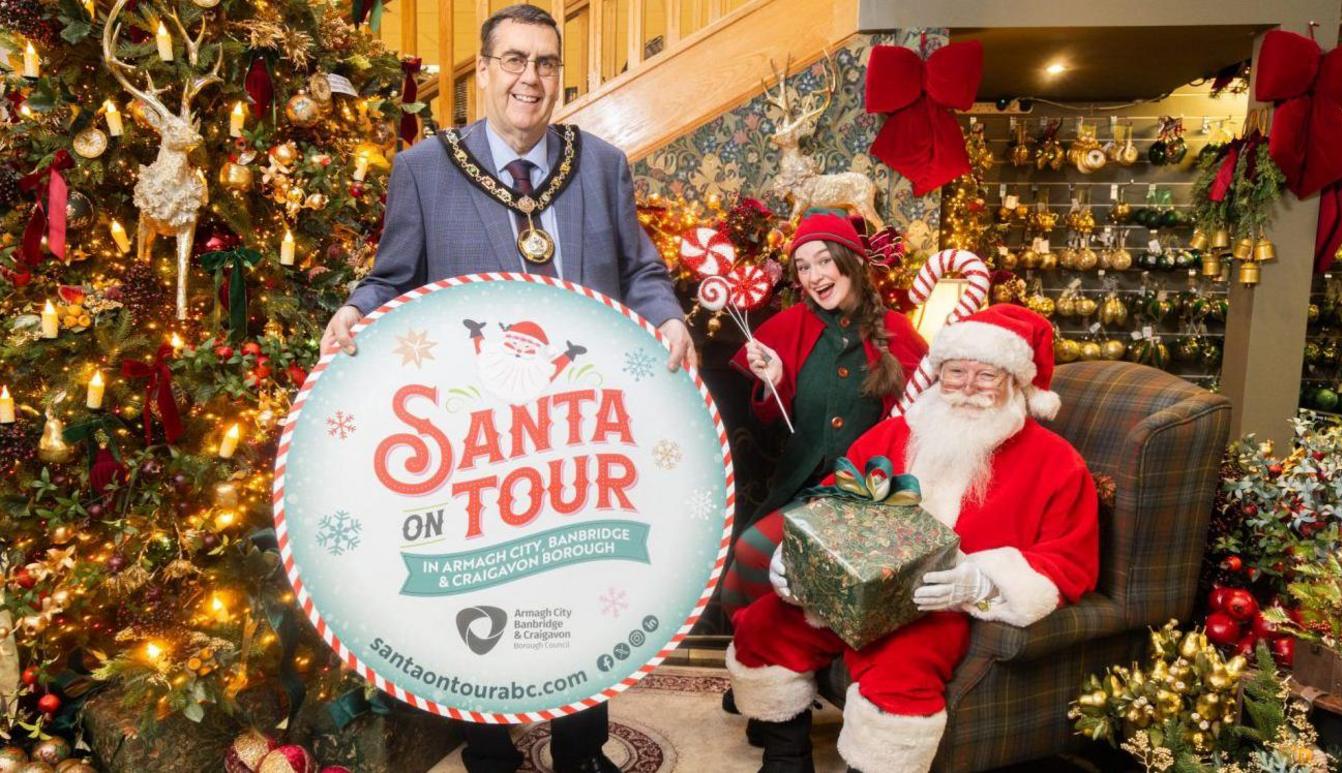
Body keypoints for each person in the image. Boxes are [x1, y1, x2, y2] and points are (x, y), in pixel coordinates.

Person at [318, 6, 693, 772]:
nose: (531, 78)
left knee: (582, 585)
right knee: (484, 592)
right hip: (479, 441)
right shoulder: (423, 169)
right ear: (483, 72)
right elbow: (395, 277)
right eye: (514, 61)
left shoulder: (603, 165)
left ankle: (582, 747)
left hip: (583, 427)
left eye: (547, 63)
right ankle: (489, 748)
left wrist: (668, 315)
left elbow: (643, 270)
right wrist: (355, 309)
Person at [727, 304, 1100, 773]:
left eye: (985, 376)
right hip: (853, 589)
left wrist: (980, 582)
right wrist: (797, 554)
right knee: (767, 622)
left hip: (938, 606)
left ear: (1016, 382)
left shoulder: (1056, 463)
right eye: (955, 372)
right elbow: (832, 499)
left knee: (901, 667)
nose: (966, 388)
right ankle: (785, 758)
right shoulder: (899, 433)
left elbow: (1069, 560)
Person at [719, 212, 927, 619]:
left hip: (870, 500)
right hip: (802, 492)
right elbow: (764, 421)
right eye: (802, 266)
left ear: (853, 261)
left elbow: (920, 425)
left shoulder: (898, 331)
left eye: (824, 260)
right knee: (750, 556)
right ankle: (762, 660)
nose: (814, 276)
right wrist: (772, 381)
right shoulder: (790, 326)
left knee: (763, 553)